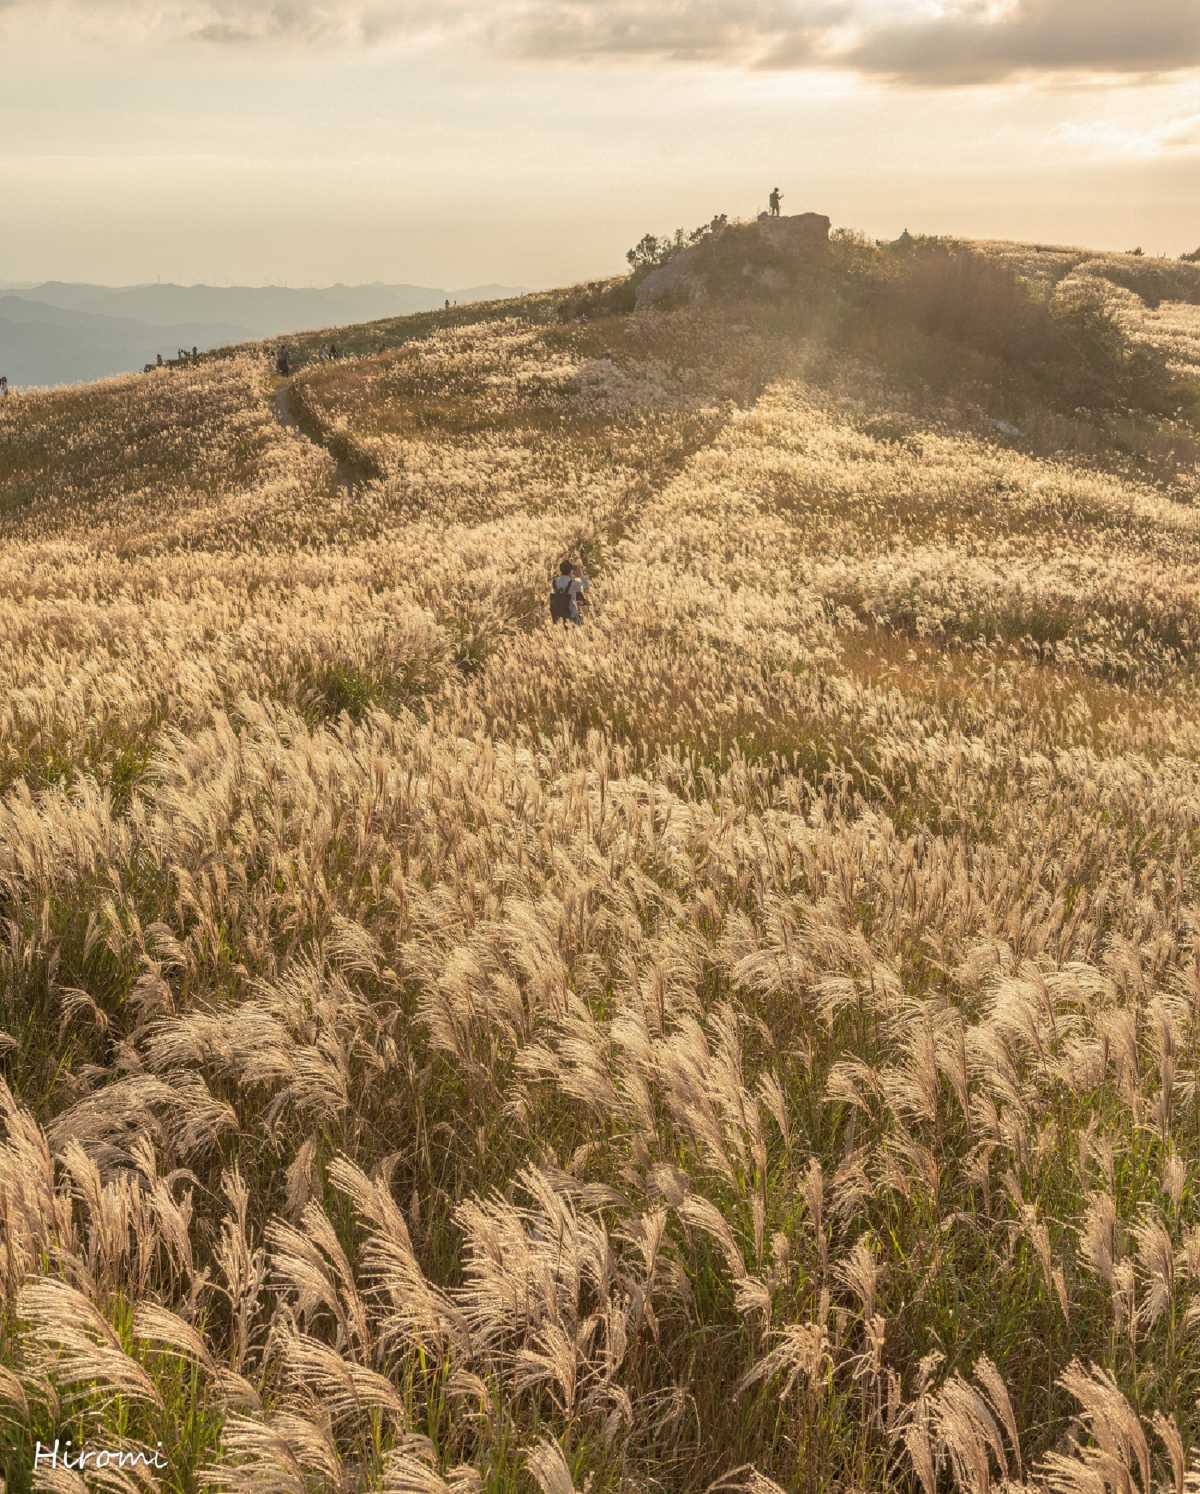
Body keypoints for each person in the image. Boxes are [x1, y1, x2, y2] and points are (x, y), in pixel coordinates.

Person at [549, 560, 585, 626]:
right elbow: (581, 600)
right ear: (570, 571)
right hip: (571, 615)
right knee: (581, 626)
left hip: (557, 615)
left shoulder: (554, 581)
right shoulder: (575, 583)